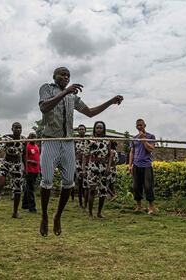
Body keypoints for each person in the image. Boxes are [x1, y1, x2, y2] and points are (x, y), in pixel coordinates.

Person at [38, 66, 123, 236]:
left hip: (68, 142)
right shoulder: (46, 88)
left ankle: (58, 216)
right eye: (62, 74)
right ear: (55, 76)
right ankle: (45, 216)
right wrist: (65, 92)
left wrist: (110, 101)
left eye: (68, 75)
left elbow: (90, 112)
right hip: (50, 140)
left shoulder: (72, 96)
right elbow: (44, 107)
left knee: (69, 182)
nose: (66, 77)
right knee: (46, 179)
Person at [0, 122, 26, 219]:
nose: (18, 129)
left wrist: (25, 167)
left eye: (19, 128)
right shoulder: (7, 138)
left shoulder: (24, 140)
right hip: (6, 163)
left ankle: (15, 212)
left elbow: (25, 154)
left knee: (18, 189)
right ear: (12, 129)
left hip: (17, 165)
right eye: (16, 128)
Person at [83, 121, 112, 218]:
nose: (99, 129)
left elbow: (109, 155)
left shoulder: (107, 140)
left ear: (104, 129)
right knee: (92, 190)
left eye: (101, 128)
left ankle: (99, 213)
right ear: (94, 129)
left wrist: (108, 166)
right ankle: (90, 213)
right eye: (97, 127)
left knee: (103, 191)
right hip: (93, 167)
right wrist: (84, 169)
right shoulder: (90, 140)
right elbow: (85, 155)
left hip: (103, 167)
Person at [128, 119, 156, 214]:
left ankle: (151, 207)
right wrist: (130, 165)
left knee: (148, 186)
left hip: (147, 165)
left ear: (145, 125)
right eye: (138, 125)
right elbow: (132, 152)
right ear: (136, 127)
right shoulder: (134, 138)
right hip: (136, 165)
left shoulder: (151, 136)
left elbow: (150, 149)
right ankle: (139, 206)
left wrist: (144, 139)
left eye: (141, 125)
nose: (139, 127)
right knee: (136, 187)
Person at [22, 132, 41, 213]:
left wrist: (39, 168)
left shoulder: (36, 146)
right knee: (31, 189)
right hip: (29, 170)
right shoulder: (27, 146)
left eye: (34, 137)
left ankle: (25, 204)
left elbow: (38, 158)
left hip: (36, 170)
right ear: (29, 137)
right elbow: (24, 158)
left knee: (28, 187)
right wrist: (29, 163)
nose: (33, 138)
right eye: (32, 137)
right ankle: (32, 207)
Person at [73, 124, 87, 208]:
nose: (81, 130)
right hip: (78, 163)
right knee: (80, 183)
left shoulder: (88, 140)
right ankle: (80, 203)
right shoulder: (75, 140)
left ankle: (86, 202)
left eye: (83, 129)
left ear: (85, 130)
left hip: (87, 164)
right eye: (80, 129)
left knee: (86, 184)